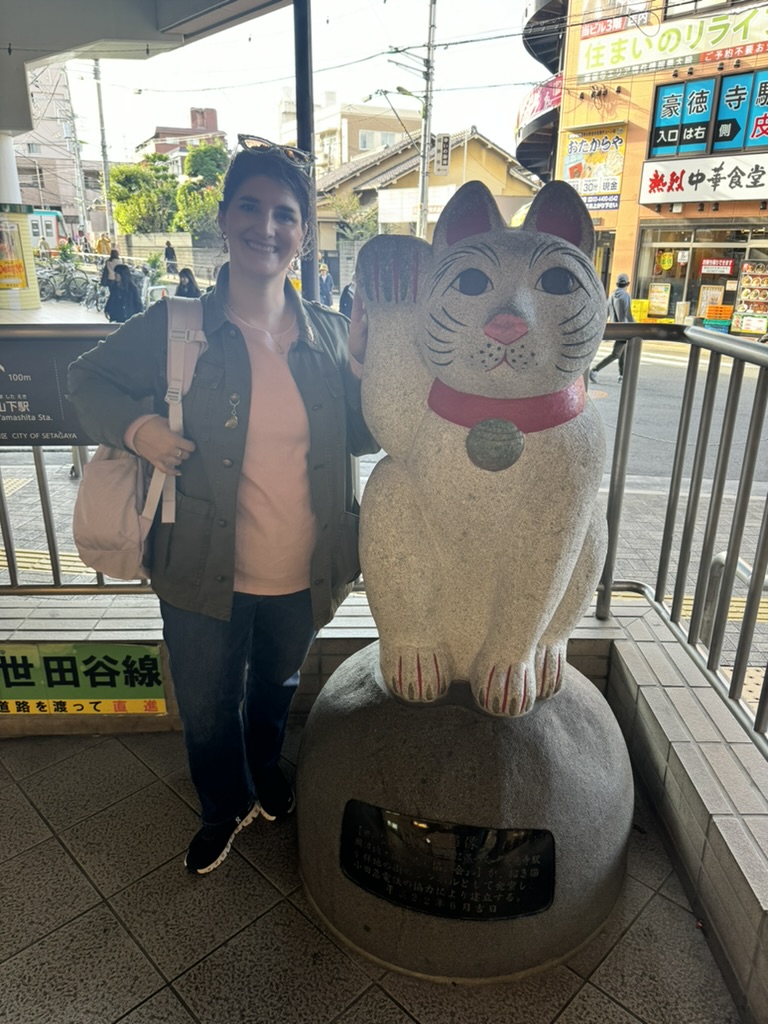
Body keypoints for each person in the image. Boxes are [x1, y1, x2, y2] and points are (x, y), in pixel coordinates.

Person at [68, 139, 377, 875]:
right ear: (225, 216)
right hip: (202, 570)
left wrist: (369, 366)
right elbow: (84, 383)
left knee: (276, 689)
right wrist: (141, 430)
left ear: (303, 233)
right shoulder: (180, 327)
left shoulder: (331, 335)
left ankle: (265, 774)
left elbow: (364, 434)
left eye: (285, 214)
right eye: (251, 207)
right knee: (207, 709)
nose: (266, 227)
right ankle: (222, 804)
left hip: (304, 569)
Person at [589, 272, 635, 384]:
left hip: (615, 327)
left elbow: (606, 313)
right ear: (628, 284)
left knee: (623, 352)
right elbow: (628, 315)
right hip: (624, 329)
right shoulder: (626, 295)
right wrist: (636, 326)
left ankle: (622, 375)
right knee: (616, 353)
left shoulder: (612, 295)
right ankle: (595, 370)